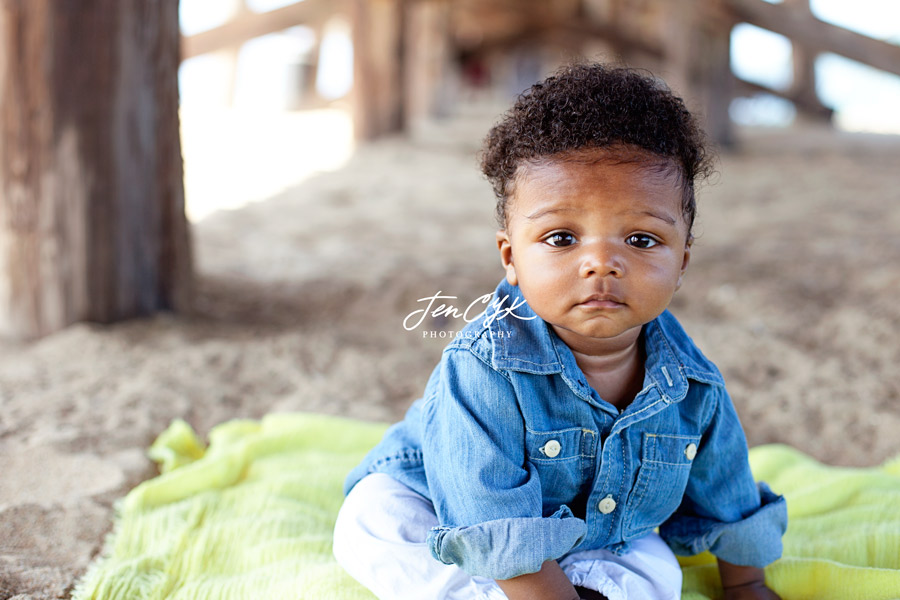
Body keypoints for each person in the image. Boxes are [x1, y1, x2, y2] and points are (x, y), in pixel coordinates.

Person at [333, 63, 788, 600]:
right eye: (561, 238)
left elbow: (726, 494)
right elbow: (481, 505)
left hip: (598, 528)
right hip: (450, 509)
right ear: (512, 257)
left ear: (682, 260)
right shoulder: (484, 364)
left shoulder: (692, 385)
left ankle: (569, 583)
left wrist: (746, 586)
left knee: (659, 568)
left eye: (641, 240)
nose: (601, 263)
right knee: (372, 518)